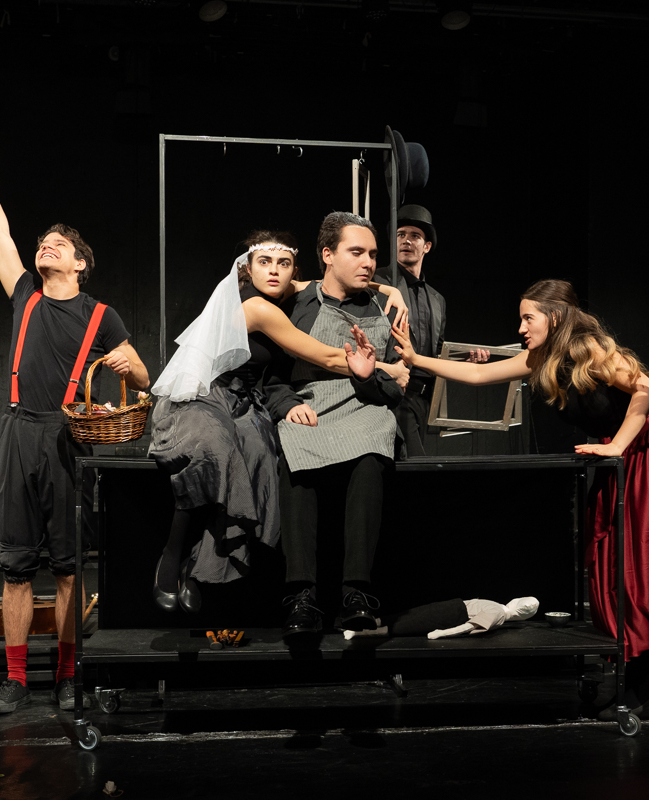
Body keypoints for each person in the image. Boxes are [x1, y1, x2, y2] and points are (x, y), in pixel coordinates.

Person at [392, 279, 649, 720]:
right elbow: (479, 375)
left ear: (556, 317)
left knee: (638, 567)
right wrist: (415, 359)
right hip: (619, 455)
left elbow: (647, 389)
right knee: (614, 566)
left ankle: (645, 688)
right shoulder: (540, 358)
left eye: (529, 318)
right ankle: (643, 685)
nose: (521, 327)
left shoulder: (592, 349)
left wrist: (618, 445)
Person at [0, 128, 150, 715]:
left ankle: (69, 677)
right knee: (16, 566)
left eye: (58, 244)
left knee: (68, 569)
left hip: (67, 440)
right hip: (19, 432)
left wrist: (127, 365)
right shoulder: (25, 294)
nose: (46, 247)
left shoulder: (102, 316)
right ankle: (17, 680)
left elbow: (144, 376)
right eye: (43, 242)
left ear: (80, 263)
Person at [147, 231, 404, 613]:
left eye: (283, 264)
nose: (274, 271)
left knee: (264, 458)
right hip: (204, 396)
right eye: (264, 263)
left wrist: (387, 289)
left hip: (244, 402)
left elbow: (326, 278)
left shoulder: (280, 294)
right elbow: (327, 357)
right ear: (246, 269)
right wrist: (389, 368)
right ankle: (172, 554)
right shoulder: (257, 307)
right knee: (218, 451)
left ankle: (202, 565)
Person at [263, 212, 407, 640]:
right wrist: (286, 405)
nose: (368, 263)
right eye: (356, 252)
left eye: (373, 255)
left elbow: (398, 384)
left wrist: (368, 378)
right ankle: (302, 596)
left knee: (373, 446)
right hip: (309, 404)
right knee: (294, 449)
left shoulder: (385, 307)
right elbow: (271, 375)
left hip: (365, 404)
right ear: (327, 255)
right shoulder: (296, 303)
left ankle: (356, 594)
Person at [387, 205, 446, 456]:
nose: (406, 241)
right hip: (394, 391)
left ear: (427, 246)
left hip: (424, 397)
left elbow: (438, 349)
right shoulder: (379, 283)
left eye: (415, 236)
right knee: (414, 462)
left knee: (412, 464)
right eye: (400, 234)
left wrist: (466, 359)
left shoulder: (437, 299)